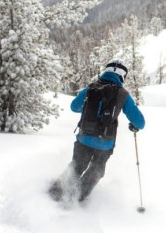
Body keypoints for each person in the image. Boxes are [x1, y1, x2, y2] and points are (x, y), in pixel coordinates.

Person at [49, 59, 145, 204]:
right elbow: (140, 122)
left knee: (77, 165)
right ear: (122, 76)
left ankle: (55, 193)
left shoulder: (91, 88)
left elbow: (74, 106)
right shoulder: (122, 94)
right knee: (96, 170)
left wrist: (89, 109)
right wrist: (133, 126)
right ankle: (76, 198)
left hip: (84, 138)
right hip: (105, 143)